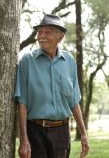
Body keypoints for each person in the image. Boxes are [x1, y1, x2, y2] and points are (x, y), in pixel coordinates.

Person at [14, 14, 89, 158]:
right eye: (39, 32)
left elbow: (74, 100)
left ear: (60, 37)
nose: (41, 36)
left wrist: (84, 134)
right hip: (35, 131)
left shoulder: (69, 61)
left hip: (62, 132)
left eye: (47, 32)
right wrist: (24, 140)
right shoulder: (27, 61)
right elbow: (22, 102)